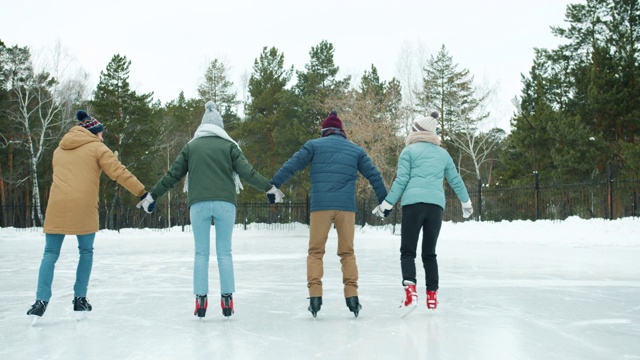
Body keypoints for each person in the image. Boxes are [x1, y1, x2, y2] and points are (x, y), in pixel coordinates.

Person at [140, 101, 283, 319]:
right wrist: (269, 188)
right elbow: (248, 172)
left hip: (199, 204)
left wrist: (153, 195)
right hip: (226, 203)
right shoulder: (230, 146)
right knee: (225, 253)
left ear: (202, 125)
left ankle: (200, 300)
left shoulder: (191, 147)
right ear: (220, 126)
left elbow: (172, 175)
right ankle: (227, 299)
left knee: (201, 253)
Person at [27, 110, 153, 320]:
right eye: (101, 133)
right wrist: (142, 192)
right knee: (85, 251)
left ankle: (41, 300)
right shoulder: (97, 148)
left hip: (57, 205)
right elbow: (119, 172)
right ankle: (80, 299)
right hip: (83, 205)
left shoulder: (59, 149)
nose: (103, 137)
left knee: (50, 253)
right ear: (93, 132)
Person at [270, 111, 387, 318]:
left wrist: (274, 185)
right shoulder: (355, 150)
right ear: (342, 132)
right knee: (347, 253)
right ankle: (352, 297)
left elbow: (292, 165)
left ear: (324, 131)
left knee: (316, 252)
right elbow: (373, 174)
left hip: (321, 207)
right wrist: (384, 200)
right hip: (346, 208)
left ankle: (315, 297)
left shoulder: (314, 145)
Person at [372, 111, 473, 314]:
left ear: (416, 132)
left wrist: (386, 204)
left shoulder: (408, 152)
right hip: (435, 207)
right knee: (429, 253)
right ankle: (432, 296)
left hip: (413, 205)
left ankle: (411, 293)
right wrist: (466, 202)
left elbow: (401, 181)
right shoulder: (443, 154)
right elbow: (455, 180)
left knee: (408, 251)